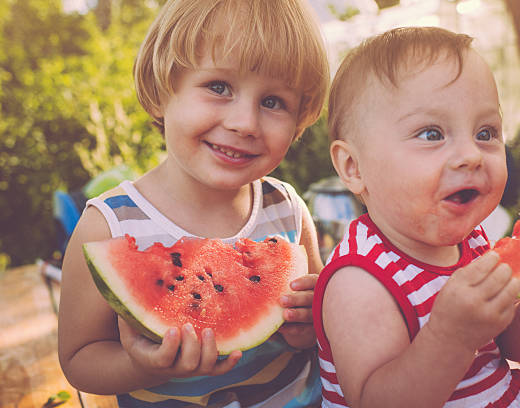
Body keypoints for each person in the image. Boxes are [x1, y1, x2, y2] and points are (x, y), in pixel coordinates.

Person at [58, 1, 329, 407]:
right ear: (160, 92)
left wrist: (313, 324)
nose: (245, 123)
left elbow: (325, 319)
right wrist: (145, 366)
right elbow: (79, 359)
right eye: (219, 87)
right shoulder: (107, 226)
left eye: (273, 102)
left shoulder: (287, 208)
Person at [312, 27, 520, 408]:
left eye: (486, 132)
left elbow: (510, 350)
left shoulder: (472, 242)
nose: (471, 155)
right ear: (354, 167)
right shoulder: (359, 281)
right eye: (431, 133)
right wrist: (450, 336)